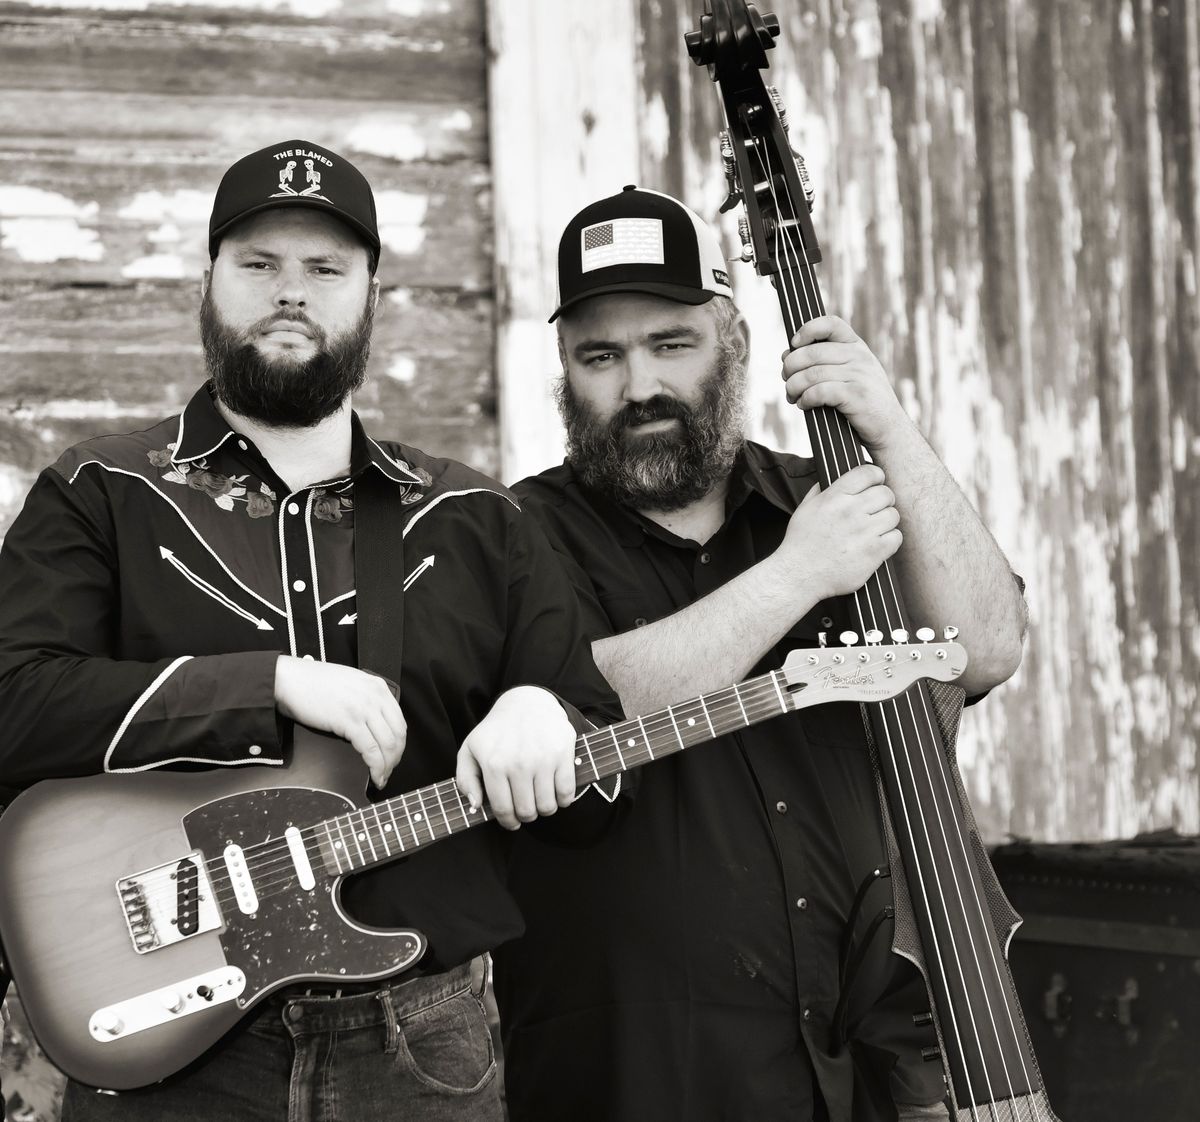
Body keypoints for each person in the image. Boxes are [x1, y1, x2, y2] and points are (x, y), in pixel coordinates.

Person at [0, 140, 624, 1121]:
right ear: (208, 282)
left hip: (424, 1047)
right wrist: (268, 684)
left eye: (326, 268)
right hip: (175, 1042)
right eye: (259, 264)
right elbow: (15, 703)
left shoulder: (476, 519)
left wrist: (544, 708)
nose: (292, 293)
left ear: (373, 293)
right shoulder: (102, 494)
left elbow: (595, 771)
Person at [493, 186, 1028, 1122]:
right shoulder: (511, 534)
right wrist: (795, 577)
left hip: (862, 1060)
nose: (639, 387)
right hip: (639, 1075)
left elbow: (985, 650)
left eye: (671, 344)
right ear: (564, 370)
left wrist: (889, 429)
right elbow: (583, 709)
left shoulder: (827, 500)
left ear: (732, 341)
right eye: (601, 356)